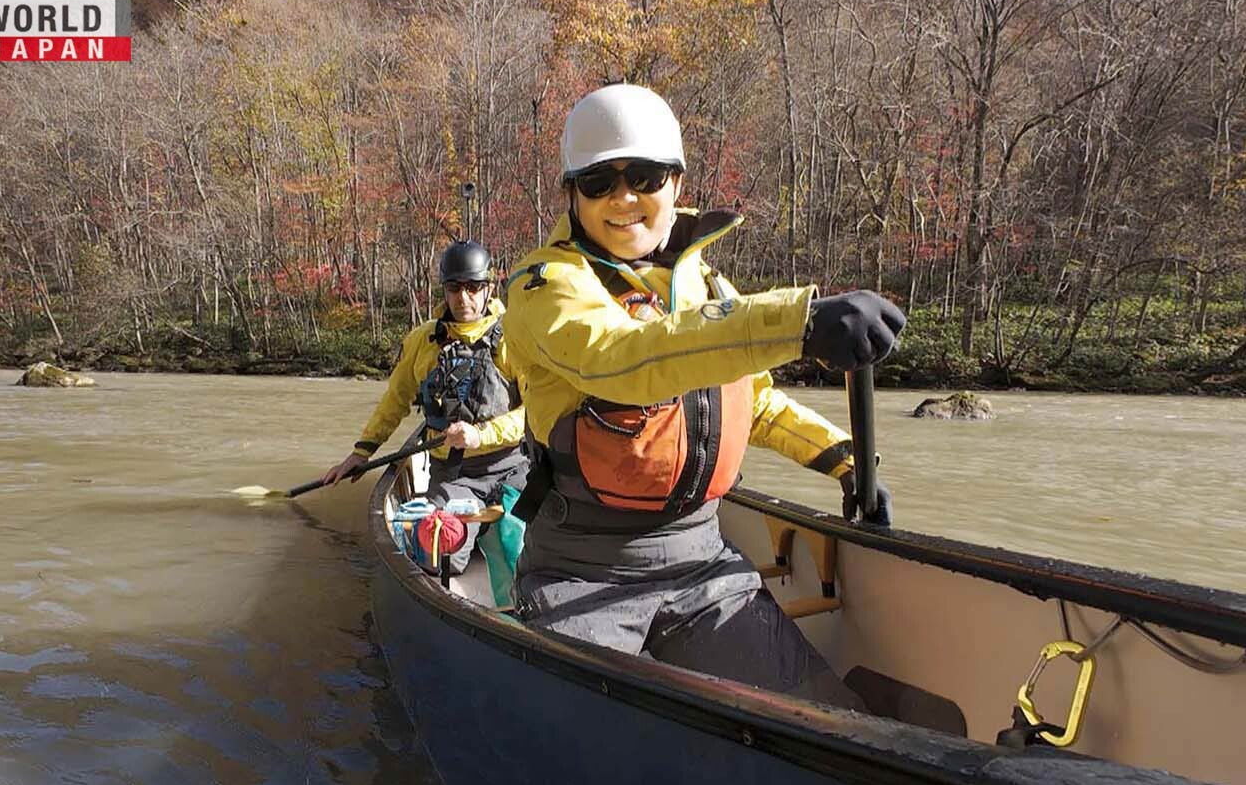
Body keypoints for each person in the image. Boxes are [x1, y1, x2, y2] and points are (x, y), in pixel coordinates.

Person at [501, 83, 905, 707]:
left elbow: (755, 400)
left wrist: (845, 459)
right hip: (580, 568)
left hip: (704, 559)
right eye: (597, 182)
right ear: (571, 193)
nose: (623, 197)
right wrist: (798, 322)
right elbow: (621, 361)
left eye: (644, 175)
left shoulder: (708, 286)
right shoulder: (543, 284)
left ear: (678, 183)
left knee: (828, 717)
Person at [322, 241, 529, 573]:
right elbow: (396, 400)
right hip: (454, 476)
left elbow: (535, 414)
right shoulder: (422, 342)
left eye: (474, 287)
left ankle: (492, 528)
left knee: (534, 552)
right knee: (438, 552)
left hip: (515, 468)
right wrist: (362, 452)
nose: (464, 298)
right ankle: (468, 533)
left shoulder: (515, 338)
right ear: (444, 290)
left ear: (489, 288)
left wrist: (480, 435)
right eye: (454, 287)